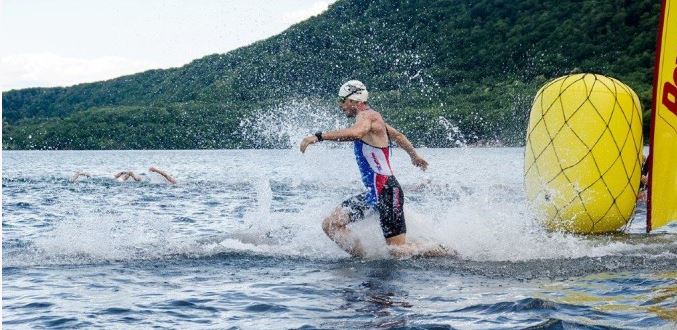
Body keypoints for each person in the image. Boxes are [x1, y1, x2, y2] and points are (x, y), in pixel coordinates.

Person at [300, 80, 448, 258]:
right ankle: (363, 257)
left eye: (342, 100)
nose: (340, 105)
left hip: (387, 191)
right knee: (331, 225)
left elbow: (356, 133)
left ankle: (443, 251)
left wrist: (318, 136)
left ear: (354, 99)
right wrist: (414, 156)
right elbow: (398, 136)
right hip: (374, 194)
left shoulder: (367, 116)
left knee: (398, 251)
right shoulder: (374, 118)